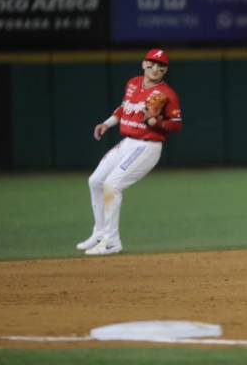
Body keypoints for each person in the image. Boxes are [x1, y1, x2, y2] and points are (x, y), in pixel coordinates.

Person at [76, 48, 182, 256]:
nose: (156, 68)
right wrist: (107, 124)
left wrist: (155, 121)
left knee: (112, 185)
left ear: (165, 70)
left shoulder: (167, 94)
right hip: (127, 143)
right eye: (151, 63)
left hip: (147, 146)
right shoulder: (133, 83)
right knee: (95, 181)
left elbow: (177, 124)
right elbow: (124, 107)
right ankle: (100, 233)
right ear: (143, 64)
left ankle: (112, 241)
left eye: (161, 65)